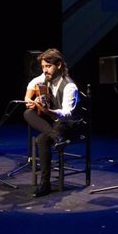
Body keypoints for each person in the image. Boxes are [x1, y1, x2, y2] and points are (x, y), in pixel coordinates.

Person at [23, 48, 79, 197]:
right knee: (28, 113)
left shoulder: (69, 86)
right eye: (43, 67)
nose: (45, 70)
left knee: (41, 140)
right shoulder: (47, 78)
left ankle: (45, 184)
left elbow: (67, 114)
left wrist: (48, 111)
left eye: (48, 66)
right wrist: (30, 100)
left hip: (69, 125)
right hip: (55, 125)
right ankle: (56, 137)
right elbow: (34, 81)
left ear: (59, 65)